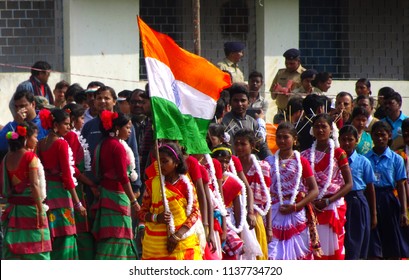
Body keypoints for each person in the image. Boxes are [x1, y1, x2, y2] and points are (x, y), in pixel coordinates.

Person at [301, 113, 353, 260]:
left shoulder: (339, 153)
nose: (320, 130)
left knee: (333, 249)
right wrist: (310, 201)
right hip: (311, 206)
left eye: (324, 126)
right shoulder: (304, 155)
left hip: (333, 205)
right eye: (316, 126)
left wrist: (328, 201)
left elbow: (349, 184)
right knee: (313, 248)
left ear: (331, 129)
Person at [37, 108, 87, 259]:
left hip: (47, 194)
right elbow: (67, 176)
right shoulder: (61, 144)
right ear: (55, 125)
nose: (69, 127)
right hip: (62, 195)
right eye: (66, 124)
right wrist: (78, 203)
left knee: (52, 237)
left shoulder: (41, 143)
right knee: (66, 237)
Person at [139, 142, 202, 260]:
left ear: (176, 162)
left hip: (182, 244)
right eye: (159, 161)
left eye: (165, 161)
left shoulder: (186, 185)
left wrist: (177, 236)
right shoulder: (153, 184)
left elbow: (195, 213)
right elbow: (142, 213)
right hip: (155, 247)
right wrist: (157, 218)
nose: (160, 165)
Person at [265, 122, 319, 259]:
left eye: (286, 137)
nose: (282, 141)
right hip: (274, 213)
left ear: (295, 139)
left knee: (298, 253)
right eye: (279, 137)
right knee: (273, 252)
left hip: (296, 213)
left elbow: (314, 190)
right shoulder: (268, 161)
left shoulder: (302, 162)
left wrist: (296, 206)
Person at [81, 86, 141, 205]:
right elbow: (83, 156)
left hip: (120, 187)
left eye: (106, 98)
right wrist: (90, 184)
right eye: (99, 98)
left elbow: (133, 155)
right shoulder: (89, 126)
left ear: (114, 101)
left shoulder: (125, 124)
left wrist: (136, 185)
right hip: (94, 187)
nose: (102, 101)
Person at [91, 110, 140, 259]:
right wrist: (134, 201)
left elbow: (95, 169)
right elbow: (123, 178)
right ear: (117, 129)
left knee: (109, 235)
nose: (130, 131)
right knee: (120, 233)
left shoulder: (103, 144)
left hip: (106, 194)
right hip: (118, 197)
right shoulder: (117, 147)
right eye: (127, 127)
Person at [0, 122, 52, 259]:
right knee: (37, 247)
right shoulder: (30, 157)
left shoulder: (6, 158)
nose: (36, 140)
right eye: (35, 136)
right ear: (25, 138)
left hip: (15, 210)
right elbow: (35, 185)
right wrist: (41, 210)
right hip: (31, 209)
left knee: (17, 246)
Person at [365, 121, 409, 259]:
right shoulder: (365, 158)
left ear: (389, 136)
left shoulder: (397, 159)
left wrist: (403, 211)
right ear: (371, 136)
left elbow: (401, 184)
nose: (379, 138)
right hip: (370, 197)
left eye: (383, 135)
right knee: (373, 235)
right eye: (376, 135)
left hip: (388, 197)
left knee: (391, 237)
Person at [211, 145, 262, 260]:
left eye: (226, 162)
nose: (223, 165)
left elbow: (238, 211)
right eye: (220, 161)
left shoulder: (232, 182)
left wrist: (239, 236)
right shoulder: (209, 180)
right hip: (214, 222)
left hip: (230, 222)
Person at [339, 125, 377, 259]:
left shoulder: (363, 161)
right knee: (342, 240)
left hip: (357, 202)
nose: (347, 143)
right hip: (339, 201)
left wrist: (373, 214)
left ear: (356, 140)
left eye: (350, 139)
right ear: (339, 140)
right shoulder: (334, 161)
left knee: (357, 240)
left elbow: (370, 188)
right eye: (343, 139)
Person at [234, 129, 272, 259]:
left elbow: (267, 200)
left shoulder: (263, 167)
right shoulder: (230, 166)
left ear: (253, 146)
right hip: (235, 219)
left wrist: (269, 229)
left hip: (254, 219)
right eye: (236, 144)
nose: (239, 147)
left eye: (243, 144)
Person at [221, 83, 271, 160]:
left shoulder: (253, 122)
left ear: (249, 102)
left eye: (243, 100)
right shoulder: (224, 122)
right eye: (236, 100)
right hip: (232, 163)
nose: (239, 104)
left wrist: (271, 159)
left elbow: (261, 145)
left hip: (252, 163)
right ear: (230, 102)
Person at [0, 90, 49, 159]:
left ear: (33, 104)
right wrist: (16, 124)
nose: (19, 110)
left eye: (22, 106)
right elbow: (1, 144)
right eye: (16, 107)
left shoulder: (45, 122)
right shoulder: (12, 125)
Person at [270, 48, 305, 113]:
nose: (288, 66)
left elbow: (307, 93)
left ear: (298, 61)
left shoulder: (304, 74)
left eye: (292, 63)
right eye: (286, 63)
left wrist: (291, 93)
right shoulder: (280, 73)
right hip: (281, 111)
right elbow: (273, 94)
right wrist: (278, 90)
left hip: (296, 113)